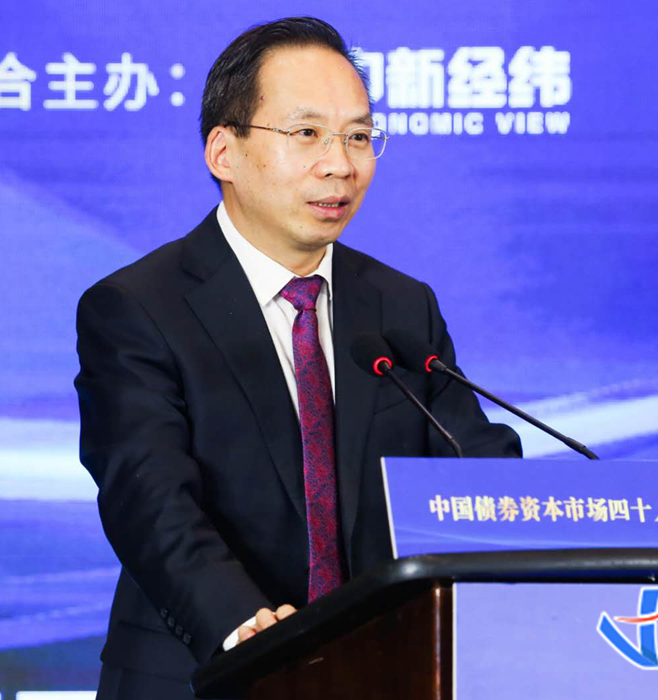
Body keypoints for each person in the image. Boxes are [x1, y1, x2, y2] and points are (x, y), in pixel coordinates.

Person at [74, 17, 522, 699]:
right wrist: (245, 624)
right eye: (307, 133)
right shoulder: (138, 307)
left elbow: (470, 460)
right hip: (205, 674)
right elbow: (148, 495)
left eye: (358, 136)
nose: (340, 164)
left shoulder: (402, 307)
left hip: (385, 672)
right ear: (224, 152)